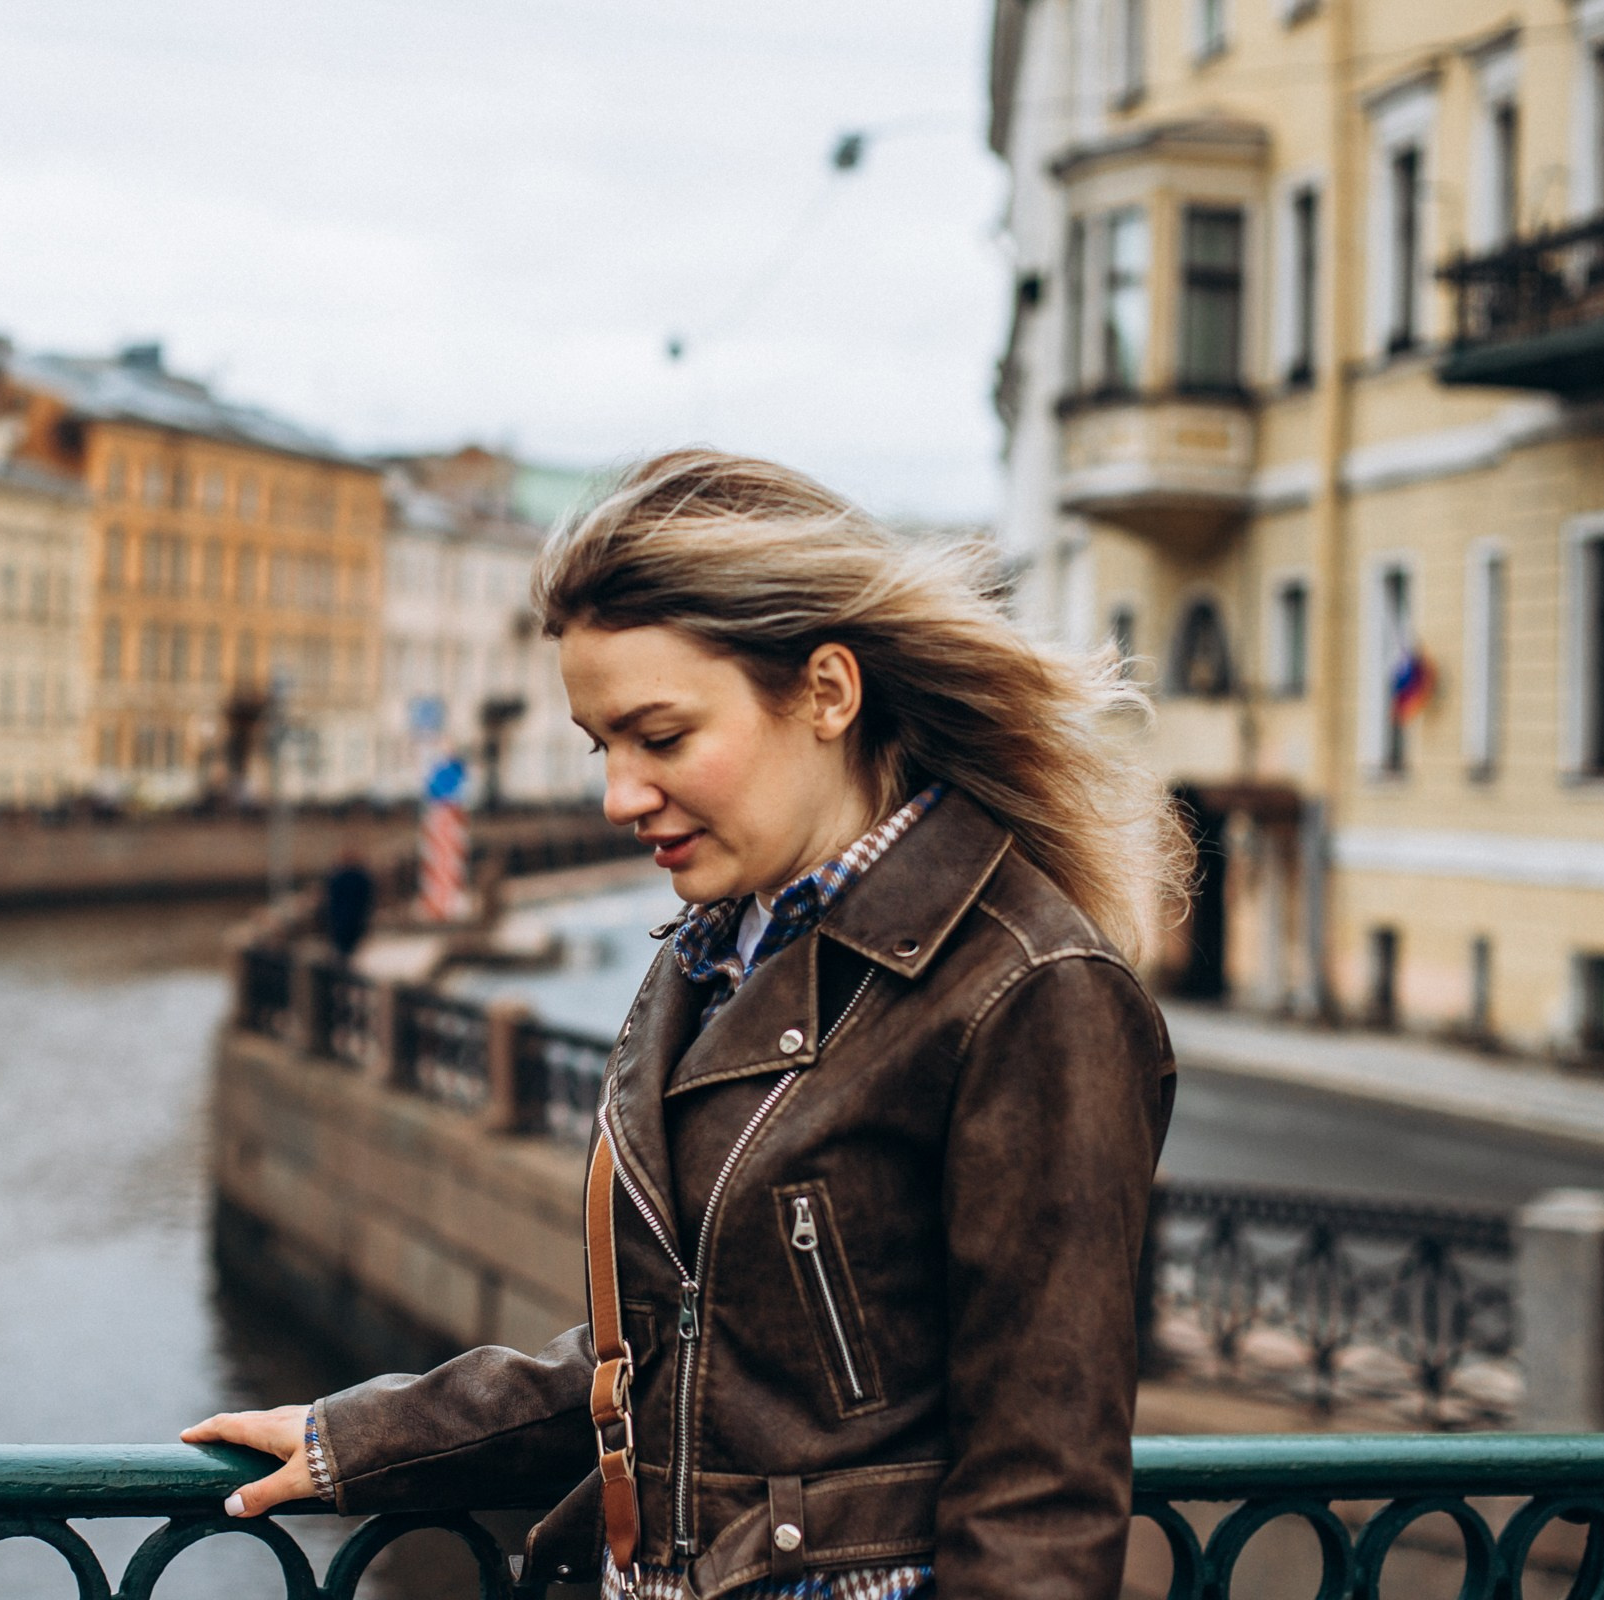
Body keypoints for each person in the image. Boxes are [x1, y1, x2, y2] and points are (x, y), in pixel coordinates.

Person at [185, 450, 1192, 1600]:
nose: (619, 795)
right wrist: (366, 1439)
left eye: (659, 738)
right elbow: (676, 1358)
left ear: (826, 691)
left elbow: (1041, 1503)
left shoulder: (1029, 989)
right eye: (600, 745)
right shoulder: (715, 952)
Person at [323, 848, 376, 961]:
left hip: (351, 917)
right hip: (344, 917)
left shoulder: (356, 877)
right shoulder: (341, 877)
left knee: (349, 945)